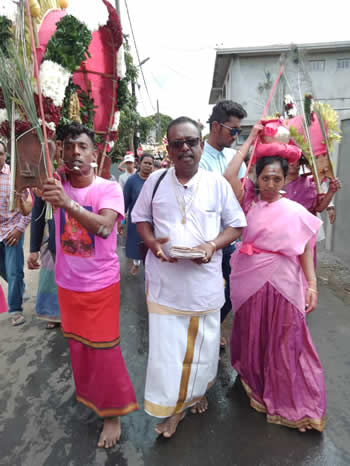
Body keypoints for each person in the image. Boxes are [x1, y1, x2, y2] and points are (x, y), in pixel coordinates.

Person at [132, 116, 246, 438]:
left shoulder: (217, 184)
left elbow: (236, 225)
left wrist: (212, 245)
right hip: (165, 287)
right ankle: (174, 411)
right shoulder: (154, 180)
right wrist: (152, 244)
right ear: (168, 148)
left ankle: (195, 393)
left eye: (191, 142)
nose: (185, 149)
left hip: (203, 287)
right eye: (177, 143)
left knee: (202, 352)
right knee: (168, 356)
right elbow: (139, 218)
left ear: (200, 145)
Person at [224, 123, 326, 432]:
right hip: (249, 280)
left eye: (276, 178)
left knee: (287, 341)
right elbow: (230, 175)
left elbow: (305, 250)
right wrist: (251, 140)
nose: (270, 183)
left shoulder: (295, 210)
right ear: (256, 177)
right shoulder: (248, 203)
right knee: (254, 335)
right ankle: (255, 382)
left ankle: (293, 400)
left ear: (285, 180)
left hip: (284, 282)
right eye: (265, 177)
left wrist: (312, 285)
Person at [41, 123, 138, 448]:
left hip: (100, 286)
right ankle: (90, 396)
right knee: (79, 347)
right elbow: (30, 184)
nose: (75, 153)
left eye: (82, 147)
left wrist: (68, 204)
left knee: (104, 351)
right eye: (69, 147)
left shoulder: (107, 189)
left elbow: (105, 228)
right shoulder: (56, 182)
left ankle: (112, 415)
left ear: (94, 155)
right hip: (67, 285)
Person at [199, 100, 252, 346]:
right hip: (206, 237)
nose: (236, 136)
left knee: (234, 289)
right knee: (204, 290)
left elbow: (239, 196)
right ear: (216, 127)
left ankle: (213, 325)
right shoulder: (199, 159)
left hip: (229, 238)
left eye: (240, 132)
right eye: (233, 131)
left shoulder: (233, 156)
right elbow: (219, 195)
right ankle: (203, 333)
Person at [0, 140, 31, 326]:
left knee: (13, 271)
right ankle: (20, 288)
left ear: (5, 155)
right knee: (4, 270)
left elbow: (30, 206)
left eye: (0, 153)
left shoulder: (15, 176)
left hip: (12, 230)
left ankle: (15, 310)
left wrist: (19, 230)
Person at [27, 193, 60, 328]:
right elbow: (38, 216)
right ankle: (53, 313)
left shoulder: (86, 178)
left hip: (81, 246)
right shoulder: (43, 183)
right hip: (54, 242)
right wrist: (34, 249)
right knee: (50, 279)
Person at [121, 153, 154, 275]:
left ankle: (149, 276)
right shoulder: (131, 182)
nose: (148, 166)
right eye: (145, 163)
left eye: (150, 164)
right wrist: (120, 221)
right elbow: (124, 203)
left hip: (153, 223)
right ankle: (136, 263)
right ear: (139, 164)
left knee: (152, 251)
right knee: (137, 247)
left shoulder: (155, 181)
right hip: (136, 223)